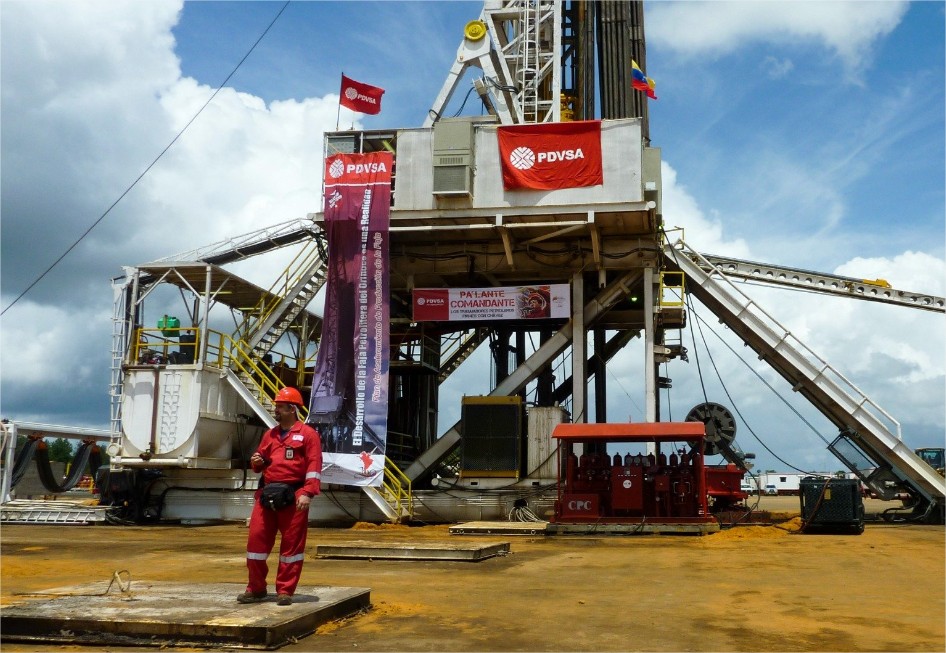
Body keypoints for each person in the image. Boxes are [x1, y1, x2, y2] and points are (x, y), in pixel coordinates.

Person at [238, 386, 323, 606]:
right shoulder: (271, 434)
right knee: (256, 542)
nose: (276, 410)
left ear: (292, 409)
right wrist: (257, 461)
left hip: (294, 497)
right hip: (267, 495)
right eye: (276, 406)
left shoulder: (308, 435)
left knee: (291, 548)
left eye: (280, 407)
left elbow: (314, 466)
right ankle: (255, 589)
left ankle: (285, 590)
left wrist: (308, 493)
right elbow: (261, 461)